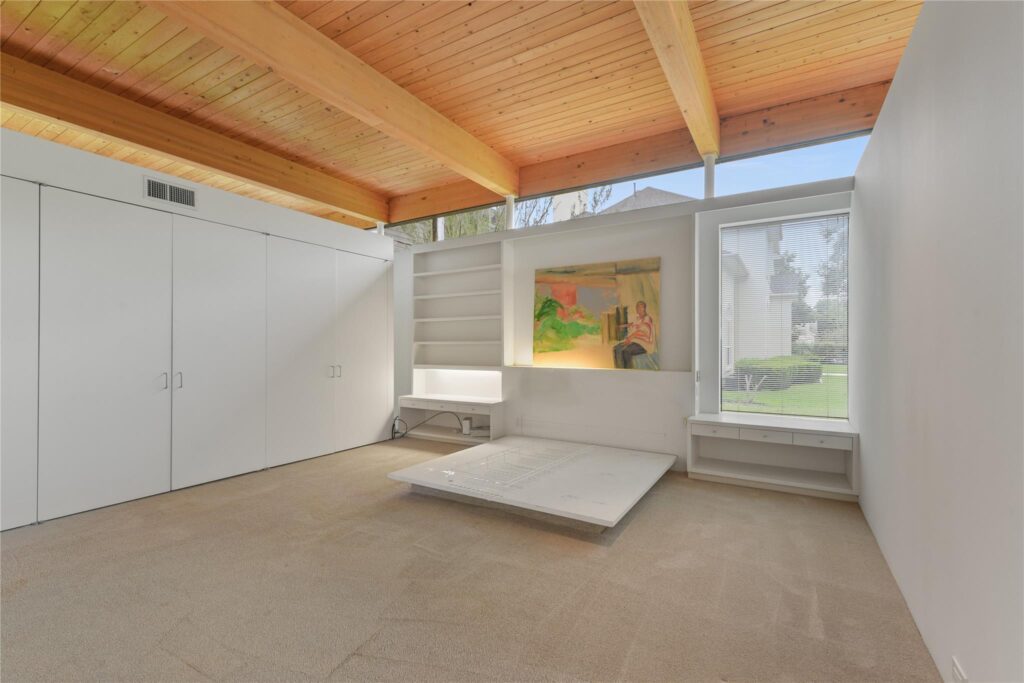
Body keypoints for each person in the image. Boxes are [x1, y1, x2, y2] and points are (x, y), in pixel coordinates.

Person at [614, 301, 656, 368]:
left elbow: (642, 331)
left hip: (644, 344)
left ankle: (628, 371)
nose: (637, 309)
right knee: (616, 348)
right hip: (635, 341)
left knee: (626, 351)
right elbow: (632, 324)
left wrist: (630, 338)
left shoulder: (647, 319)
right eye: (637, 307)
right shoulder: (638, 319)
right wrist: (621, 326)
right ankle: (619, 369)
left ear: (644, 308)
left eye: (640, 307)